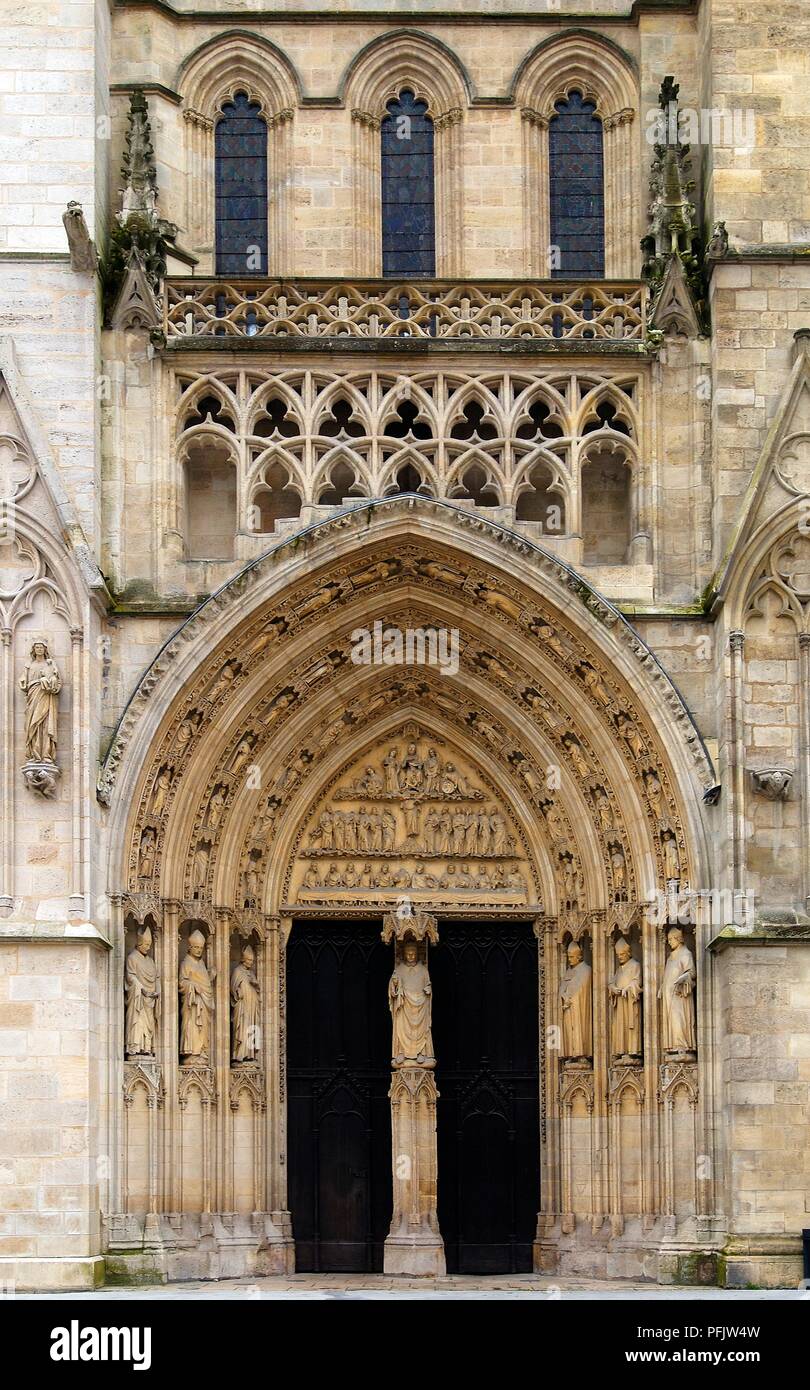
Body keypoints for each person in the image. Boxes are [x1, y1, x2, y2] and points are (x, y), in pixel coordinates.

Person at [388, 939, 434, 1067]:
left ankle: (421, 1052)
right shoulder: (399, 969)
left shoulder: (423, 970)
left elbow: (428, 985)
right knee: (402, 1029)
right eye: (408, 954)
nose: (411, 956)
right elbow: (393, 990)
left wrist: (428, 990)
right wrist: (394, 985)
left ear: (417, 954)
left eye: (413, 954)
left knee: (421, 1030)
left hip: (420, 1006)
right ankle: (402, 1052)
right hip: (404, 1005)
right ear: (404, 954)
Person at [19, 640, 62, 762]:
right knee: (33, 724)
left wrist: (51, 681)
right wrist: (25, 682)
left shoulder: (50, 664)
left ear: (45, 649)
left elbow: (58, 682)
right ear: (34, 649)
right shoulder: (29, 665)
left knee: (45, 724)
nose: (39, 649)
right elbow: (24, 682)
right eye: (37, 647)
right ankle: (34, 753)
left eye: (41, 647)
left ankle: (46, 754)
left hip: (46, 697)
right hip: (33, 697)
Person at [179, 929, 215, 1061]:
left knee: (203, 1029)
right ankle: (192, 1053)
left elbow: (204, 983)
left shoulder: (202, 964)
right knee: (192, 1026)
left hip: (204, 1004)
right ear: (190, 947)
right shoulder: (186, 963)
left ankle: (201, 1051)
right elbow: (182, 983)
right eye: (196, 947)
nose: (199, 950)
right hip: (192, 1004)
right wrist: (193, 986)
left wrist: (209, 977)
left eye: (201, 948)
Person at [124, 925, 160, 1057]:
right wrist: (141, 988)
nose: (148, 947)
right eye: (145, 944)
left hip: (149, 1000)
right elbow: (130, 976)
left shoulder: (150, 961)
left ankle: (147, 1048)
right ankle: (135, 1047)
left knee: (149, 1024)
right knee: (137, 1021)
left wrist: (157, 990)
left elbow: (156, 977)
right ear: (139, 943)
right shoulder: (132, 958)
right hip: (138, 998)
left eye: (149, 944)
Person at [559, 940, 592, 1059]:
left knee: (579, 1029)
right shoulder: (569, 971)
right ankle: (571, 1055)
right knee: (569, 1030)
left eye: (572, 957)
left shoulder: (586, 970)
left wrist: (571, 998)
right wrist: (563, 996)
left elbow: (583, 989)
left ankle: (581, 1055)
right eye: (568, 957)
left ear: (579, 957)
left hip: (579, 1007)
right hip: (567, 1007)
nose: (569, 959)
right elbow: (562, 988)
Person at [230, 943, 260, 1063]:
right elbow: (232, 987)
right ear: (243, 959)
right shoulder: (237, 971)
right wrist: (237, 991)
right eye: (248, 960)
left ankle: (250, 1054)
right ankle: (239, 1055)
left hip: (252, 1006)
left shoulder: (251, 973)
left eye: (252, 960)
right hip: (242, 1006)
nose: (251, 963)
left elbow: (257, 989)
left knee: (252, 1027)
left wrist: (255, 984)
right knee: (242, 1029)